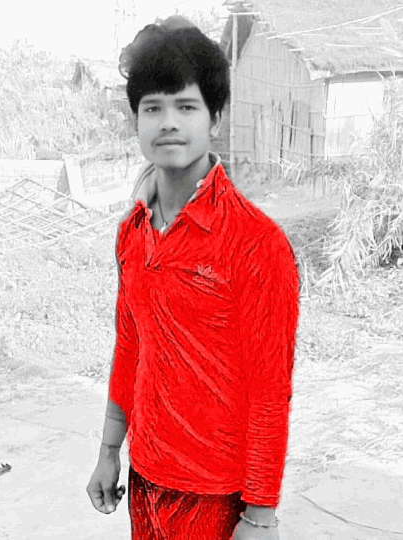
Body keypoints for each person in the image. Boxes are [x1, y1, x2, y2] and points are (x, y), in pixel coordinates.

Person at [86, 15, 299, 540]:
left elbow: (270, 390)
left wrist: (260, 514)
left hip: (217, 497)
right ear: (136, 121)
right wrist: (110, 450)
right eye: (152, 108)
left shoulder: (255, 242)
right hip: (145, 479)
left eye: (186, 106)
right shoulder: (133, 232)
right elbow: (130, 346)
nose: (168, 123)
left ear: (215, 119)